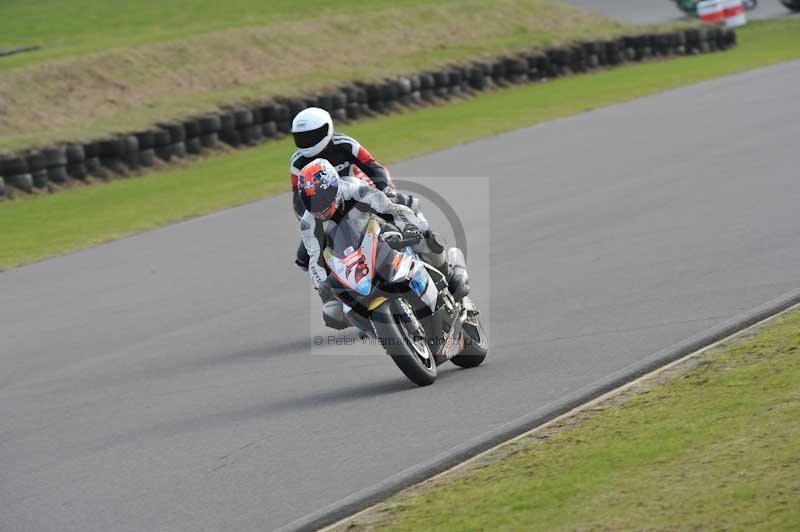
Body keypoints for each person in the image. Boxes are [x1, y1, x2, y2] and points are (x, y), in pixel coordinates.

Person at [296, 159, 469, 329]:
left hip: (380, 233)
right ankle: (373, 324)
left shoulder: (356, 190)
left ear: (334, 187)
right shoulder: (308, 224)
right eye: (310, 201)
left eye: (321, 198)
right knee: (332, 311)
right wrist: (323, 286)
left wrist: (408, 227)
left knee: (424, 234)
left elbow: (390, 209)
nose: (318, 207)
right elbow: (315, 259)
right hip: (351, 261)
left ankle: (451, 275)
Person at [289, 107, 417, 270]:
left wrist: (387, 191)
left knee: (398, 206)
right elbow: (298, 197)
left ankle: (425, 240)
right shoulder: (297, 162)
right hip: (326, 205)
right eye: (301, 138)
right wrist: (312, 218)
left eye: (311, 136)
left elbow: (372, 166)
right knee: (304, 259)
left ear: (327, 129)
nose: (306, 142)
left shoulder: (344, 144)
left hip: (357, 190)